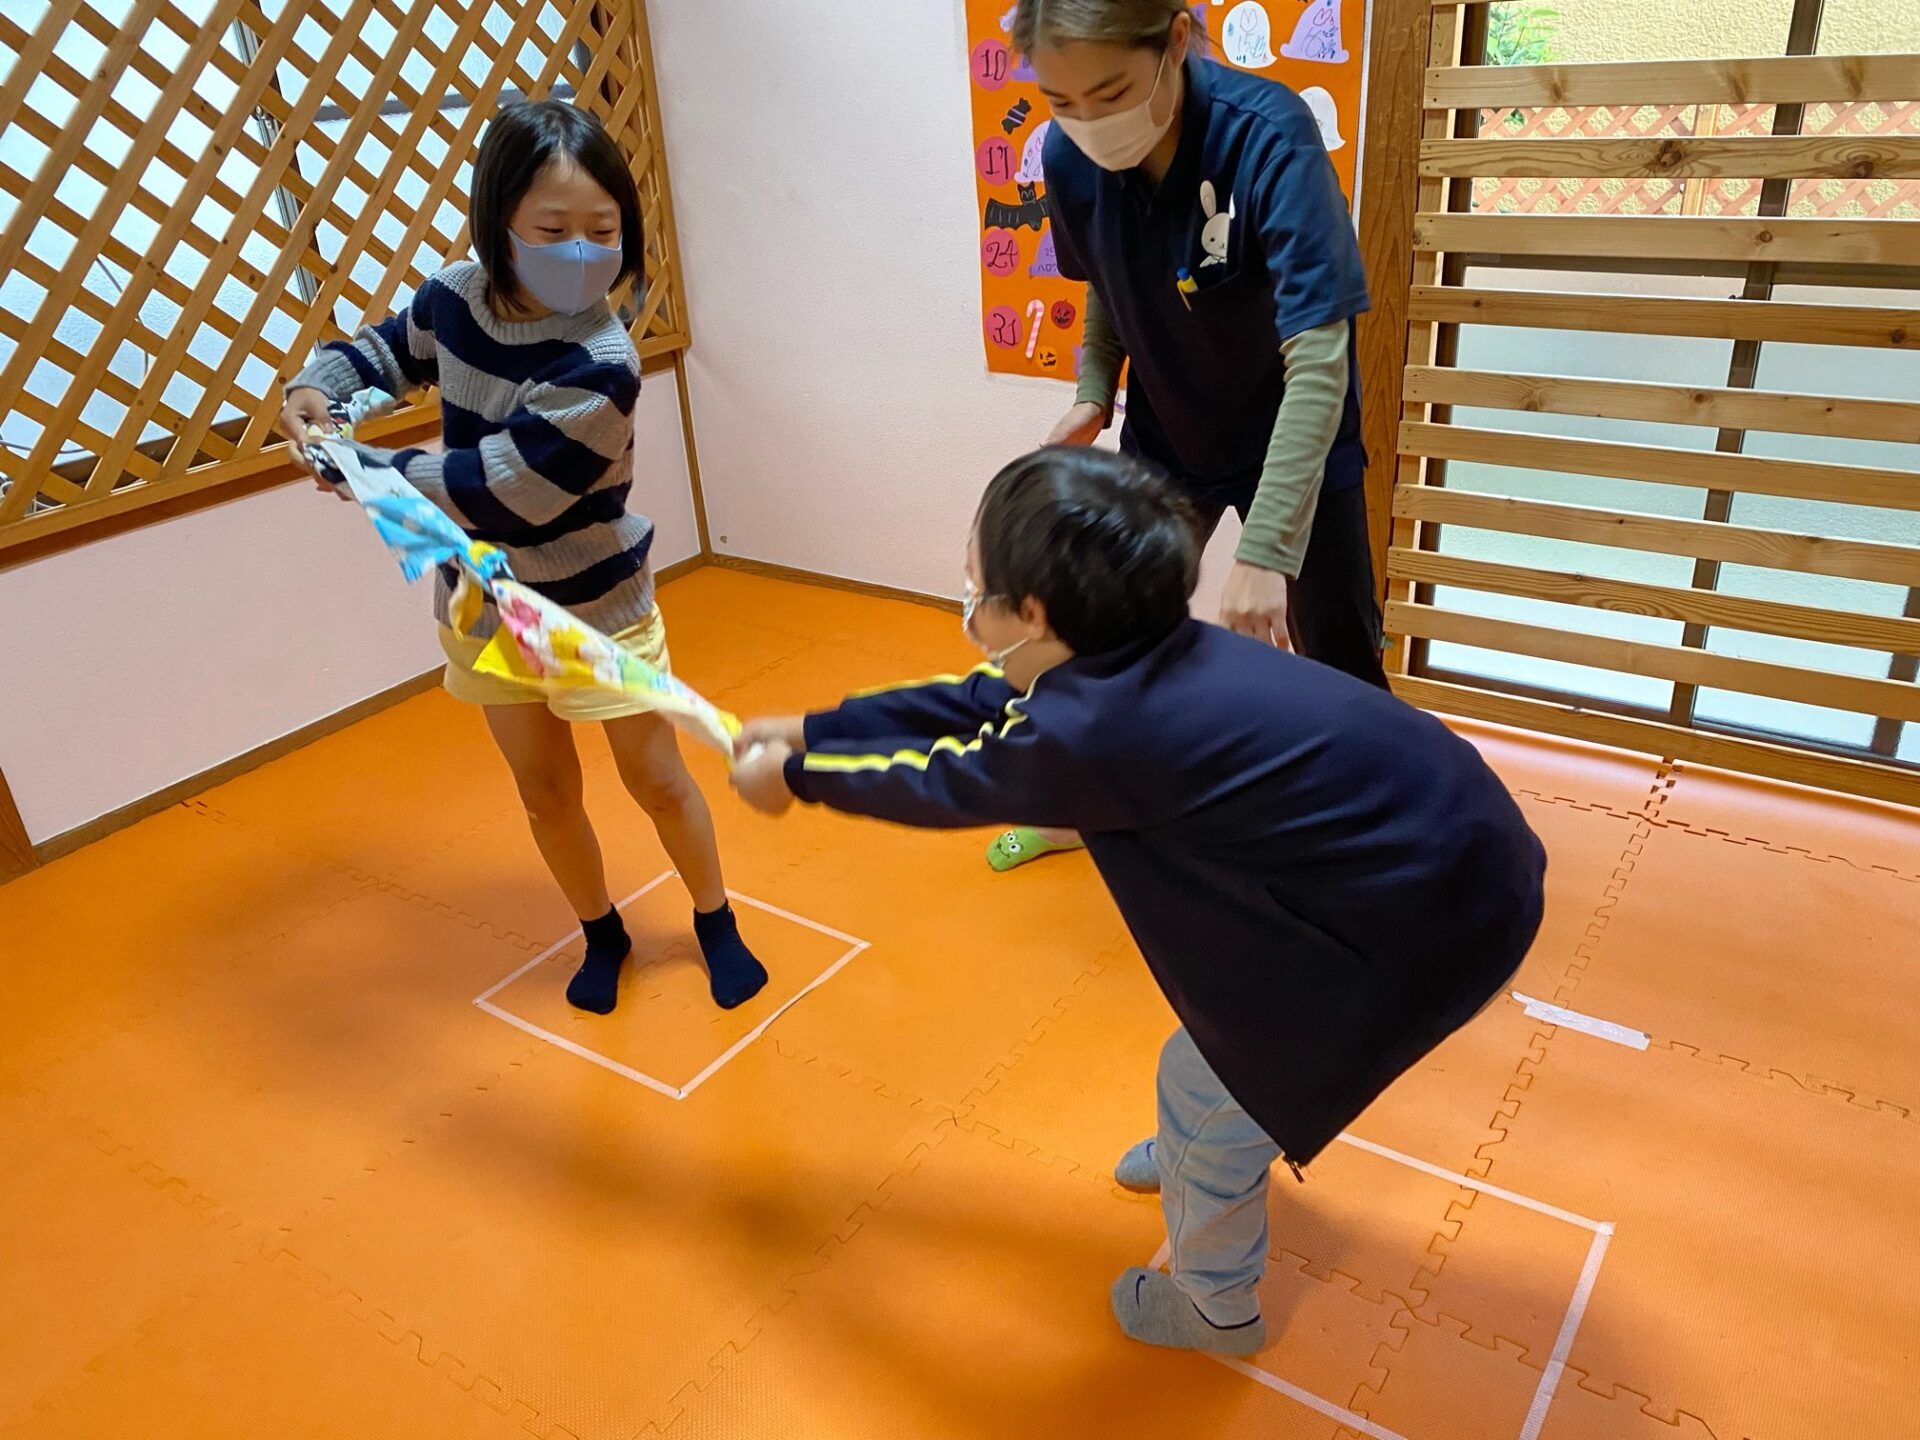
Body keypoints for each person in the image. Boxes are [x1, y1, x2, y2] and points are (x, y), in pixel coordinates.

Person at [728, 447, 1545, 1356]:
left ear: (1030, 614)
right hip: (1448, 846)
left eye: (974, 589)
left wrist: (799, 778)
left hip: (1431, 917)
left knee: (1215, 1088)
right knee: (1196, 1064)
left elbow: (947, 784)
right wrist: (812, 729)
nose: (968, 606)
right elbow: (974, 705)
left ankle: (1215, 1306)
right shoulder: (1142, 649)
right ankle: (1197, 1147)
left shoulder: (1097, 734)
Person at [280, 101, 766, 1017]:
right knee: (544, 791)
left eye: (604, 231)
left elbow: (509, 489)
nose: (582, 250)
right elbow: (386, 351)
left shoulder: (602, 361)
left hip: (595, 606)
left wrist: (365, 467)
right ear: (501, 224)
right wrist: (319, 389)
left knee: (655, 776)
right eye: (554, 229)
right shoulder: (455, 296)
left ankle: (714, 920)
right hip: (481, 601)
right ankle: (601, 932)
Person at [985, 0, 1387, 875]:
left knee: (1339, 649)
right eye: (1061, 100)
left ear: (1174, 39)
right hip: (1171, 430)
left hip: (1295, 434)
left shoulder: (1267, 135)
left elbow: (1320, 359)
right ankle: (1082, 807)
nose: (1089, 122)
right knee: (1111, 638)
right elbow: (1104, 286)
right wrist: (1093, 396)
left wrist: (1270, 548)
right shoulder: (1067, 155)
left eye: (1111, 91)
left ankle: (1367, 840)